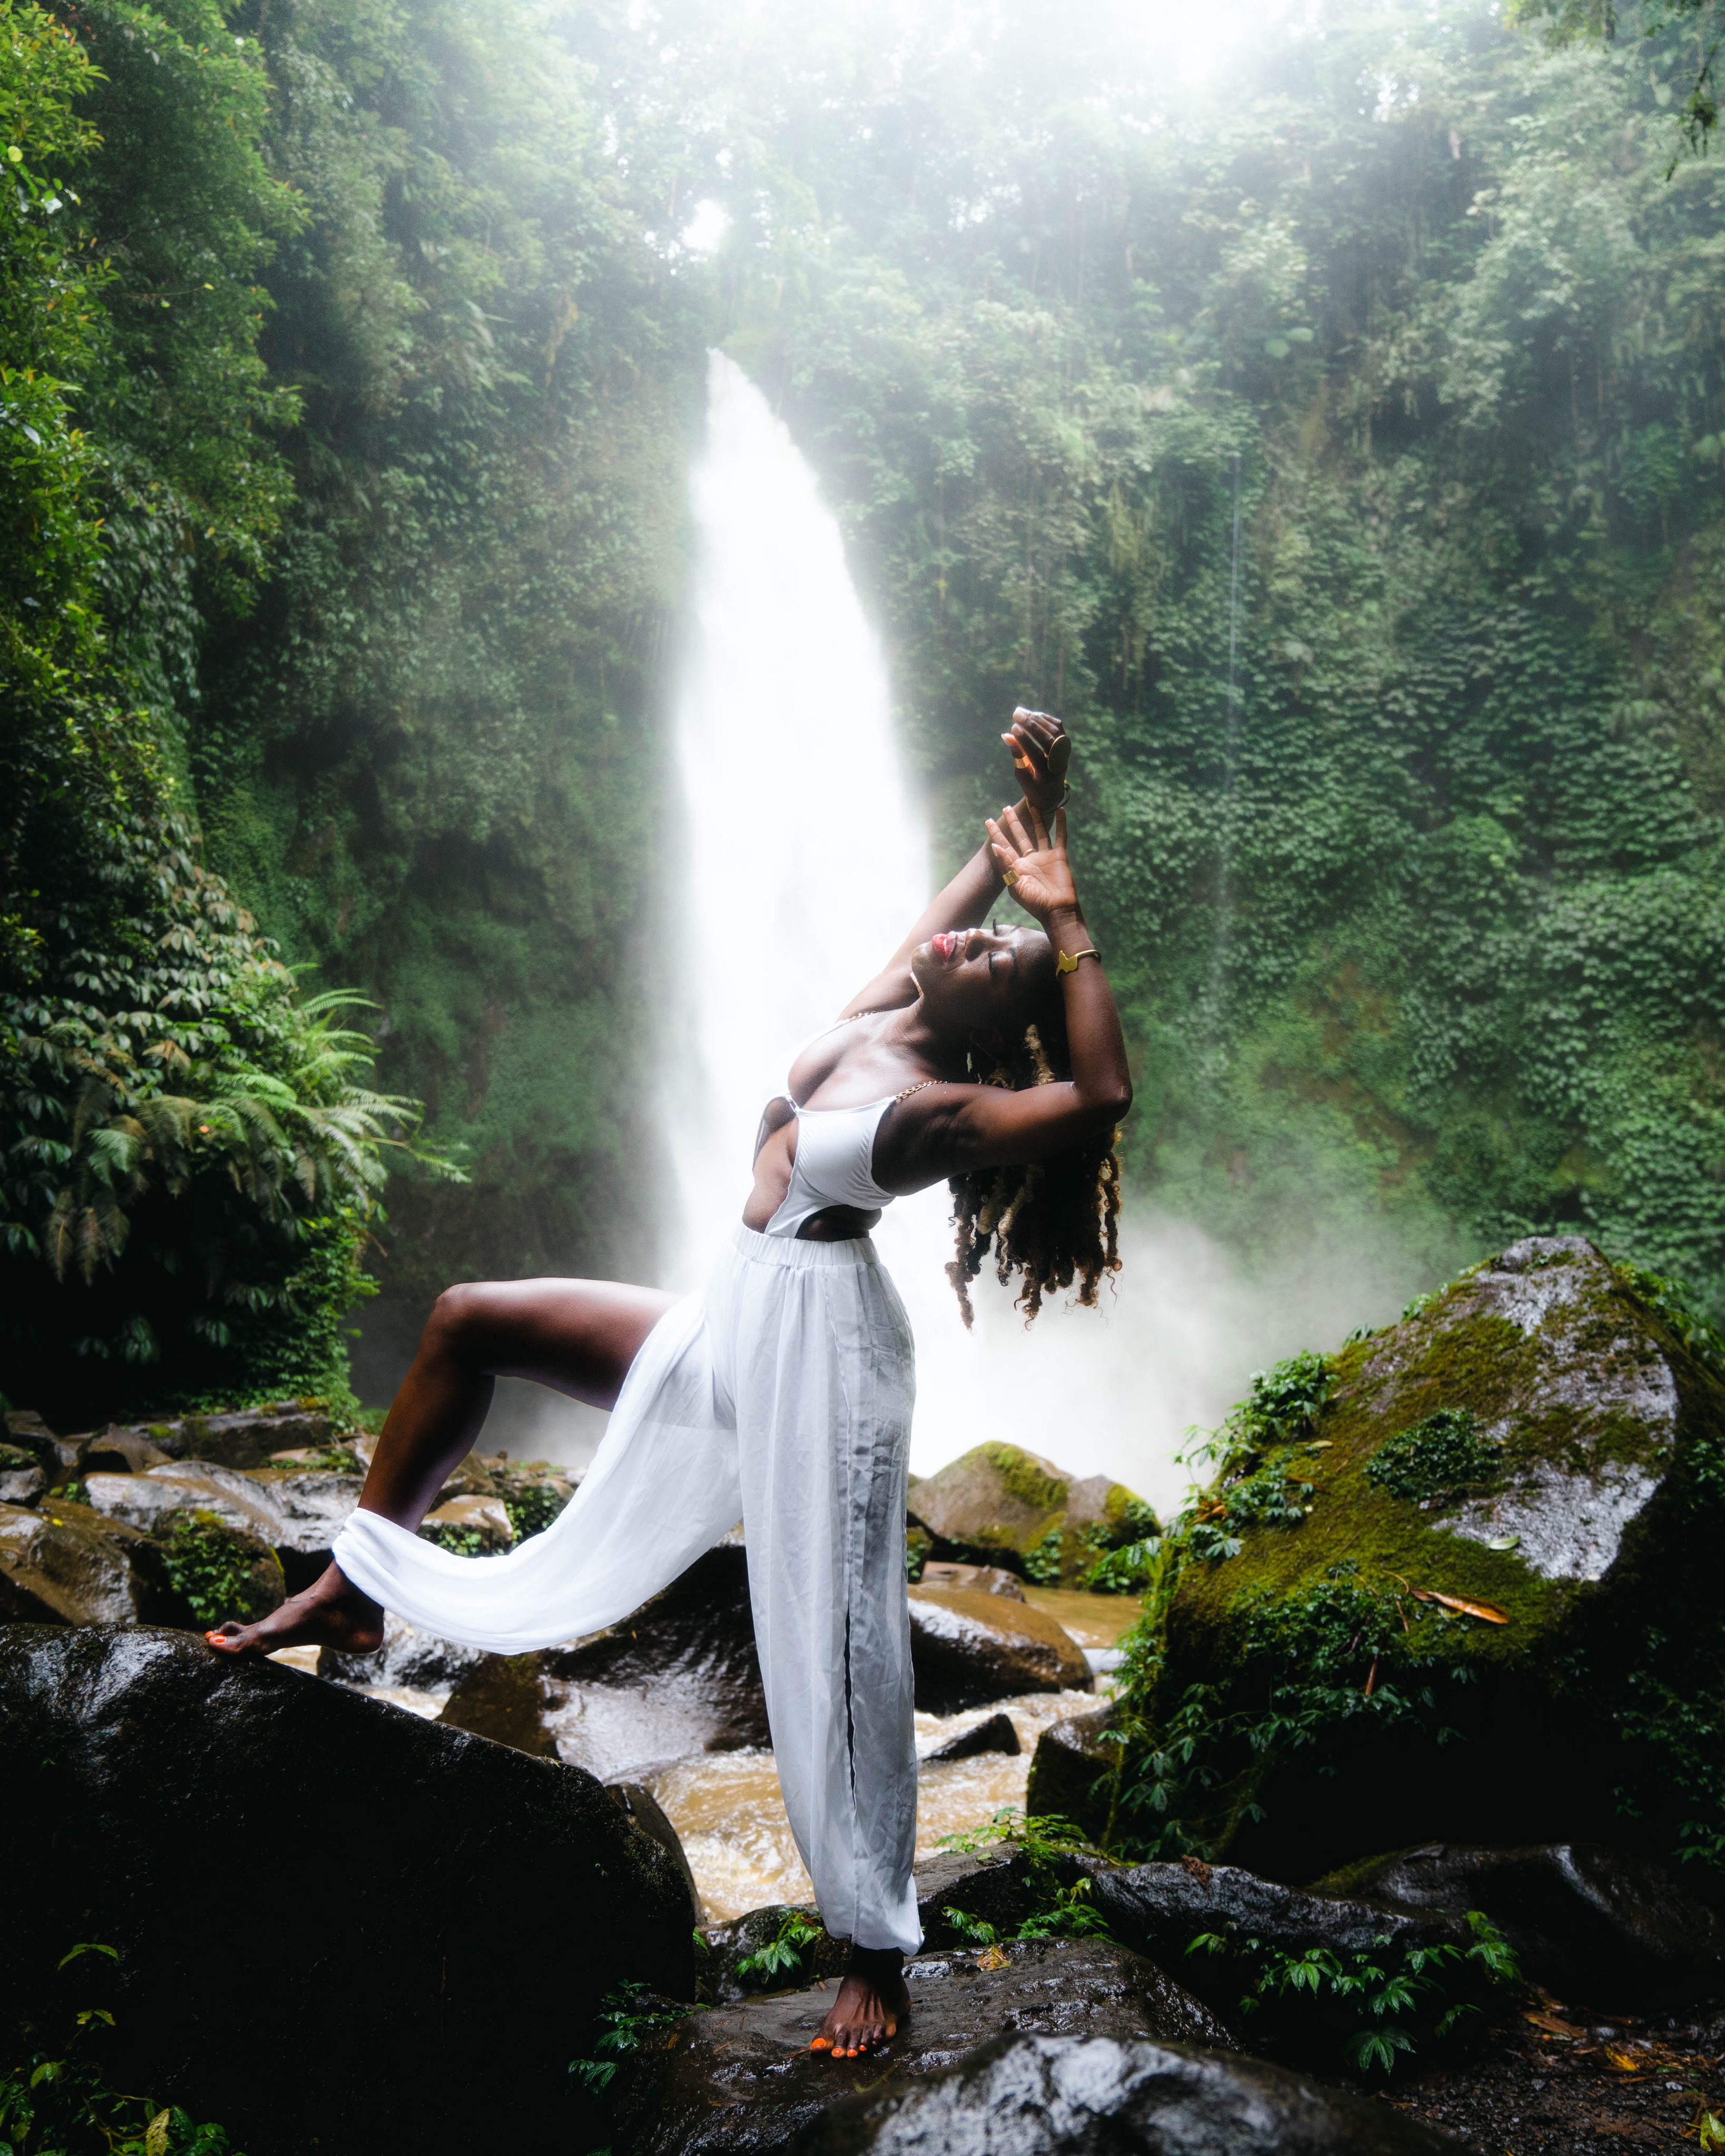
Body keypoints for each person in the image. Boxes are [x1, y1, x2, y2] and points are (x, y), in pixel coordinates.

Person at [206, 709, 1132, 2059]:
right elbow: (946, 916)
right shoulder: (887, 1008)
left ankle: (874, 1949)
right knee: (468, 1321)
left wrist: (1065, 916)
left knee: (836, 1644)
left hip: (828, 1366)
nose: (970, 940)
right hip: (736, 1320)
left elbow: (1099, 1096)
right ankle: (358, 1582)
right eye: (981, 931)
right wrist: (1023, 831)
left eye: (994, 958)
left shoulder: (939, 1107)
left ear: (994, 1028)